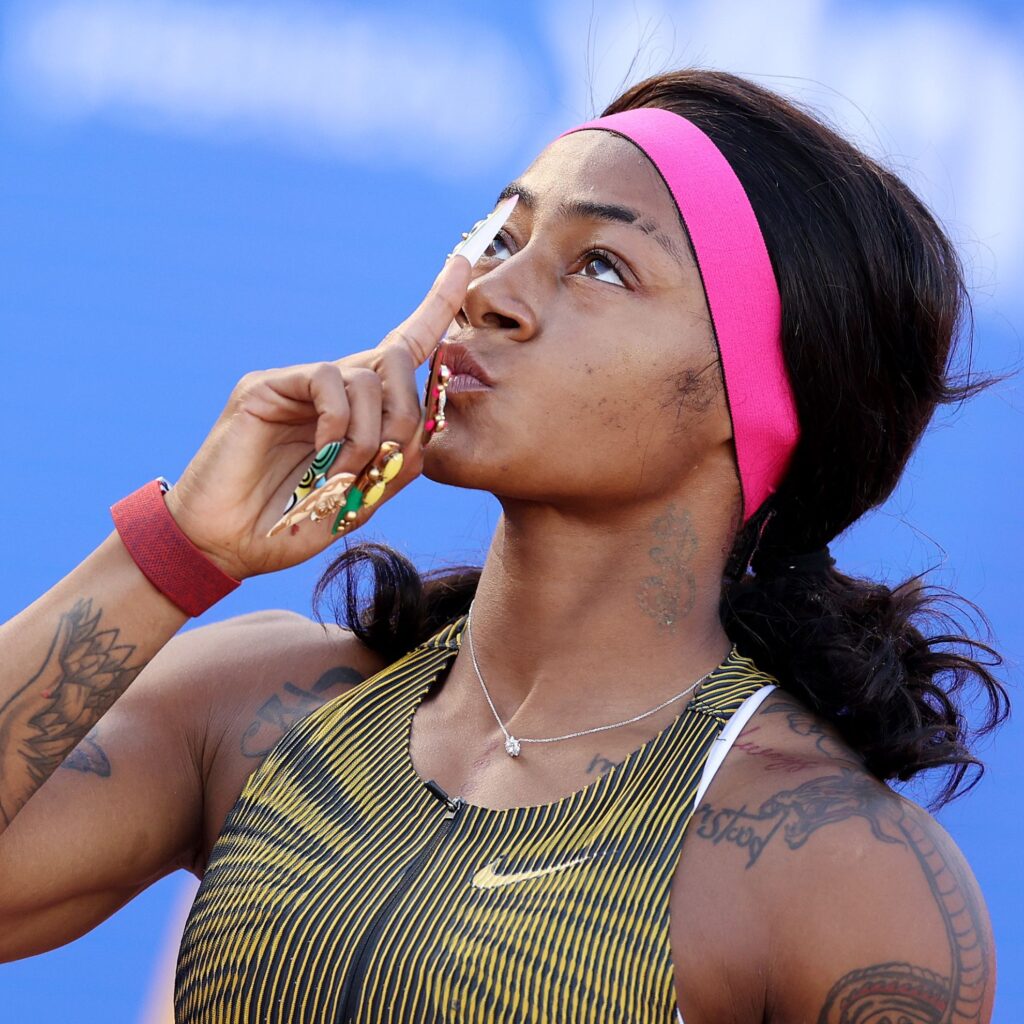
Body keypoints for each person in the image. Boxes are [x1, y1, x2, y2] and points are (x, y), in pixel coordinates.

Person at [0, 68, 1008, 1024]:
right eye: (501, 237)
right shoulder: (258, 703)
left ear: (756, 400)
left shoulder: (837, 871)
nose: (490, 292)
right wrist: (177, 550)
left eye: (600, 265)